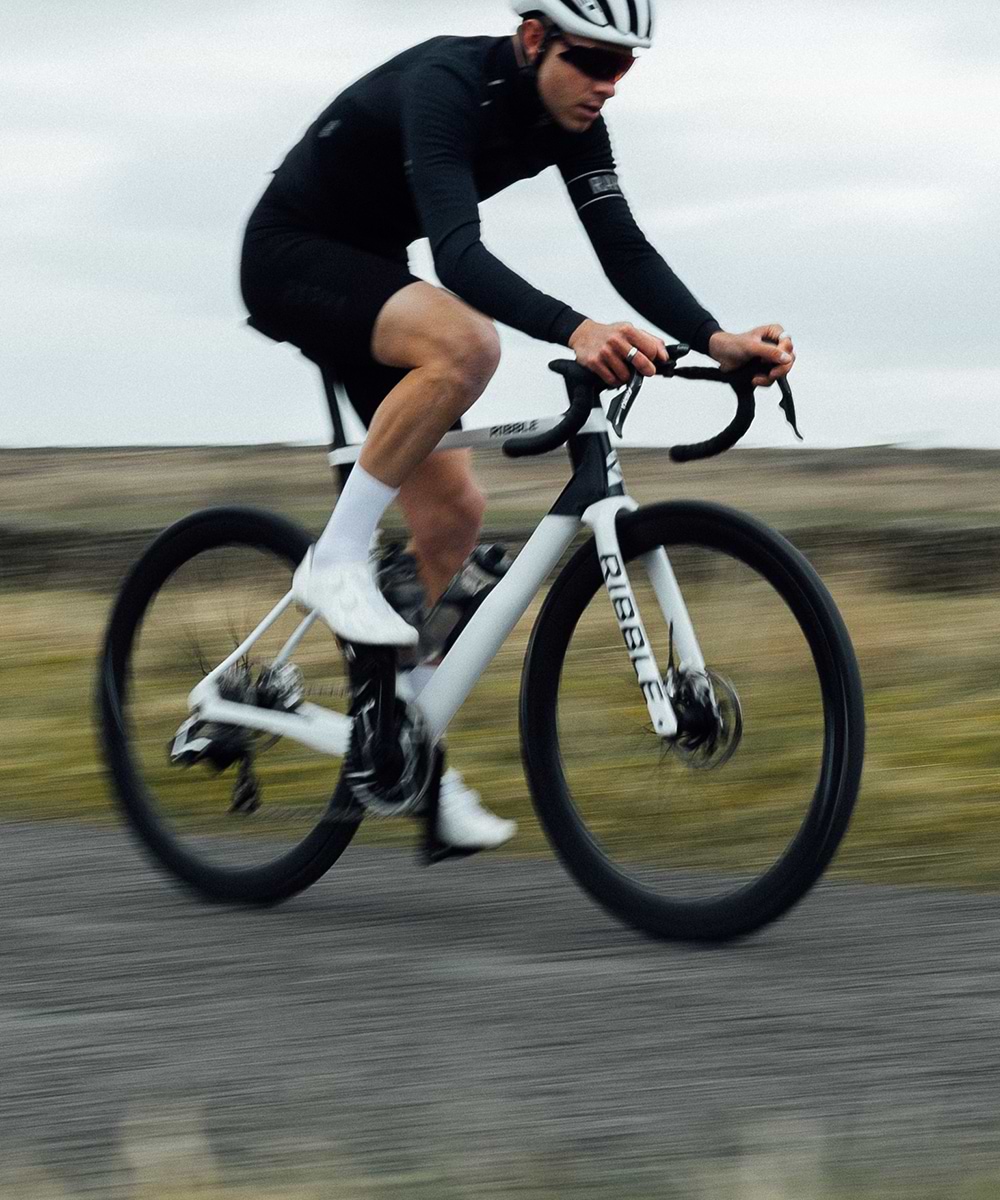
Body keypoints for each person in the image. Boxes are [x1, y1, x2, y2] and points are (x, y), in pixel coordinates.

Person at [240, 0, 795, 851]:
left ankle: (406, 756)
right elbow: (460, 257)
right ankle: (335, 559)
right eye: (595, 61)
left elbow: (624, 248)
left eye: (625, 67)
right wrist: (577, 329)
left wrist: (717, 340)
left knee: (455, 517)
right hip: (290, 254)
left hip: (372, 275)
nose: (609, 85)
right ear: (535, 38)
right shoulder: (446, 83)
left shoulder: (575, 122)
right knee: (467, 343)